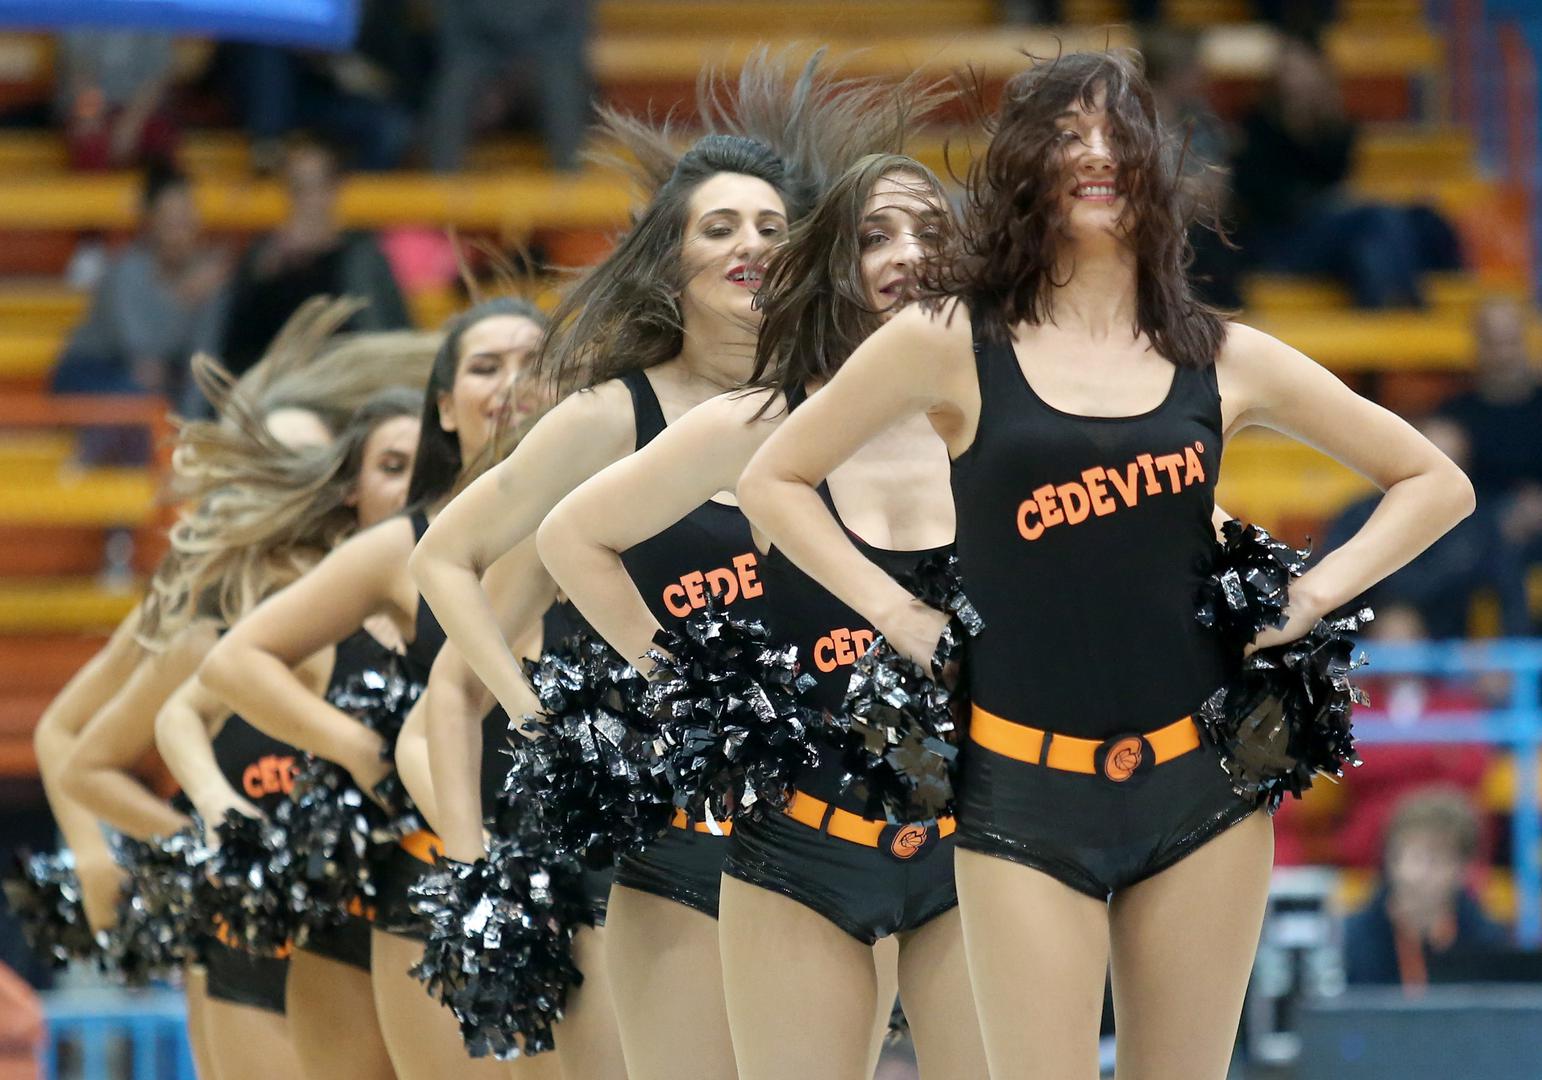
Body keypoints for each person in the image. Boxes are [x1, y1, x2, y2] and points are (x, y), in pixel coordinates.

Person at [736, 49, 1474, 1078]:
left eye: (1116, 133)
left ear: (1154, 165)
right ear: (1023, 167)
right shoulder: (948, 339)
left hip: (1202, 790)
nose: (1093, 153)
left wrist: (1312, 597)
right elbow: (774, 479)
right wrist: (897, 616)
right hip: (1020, 794)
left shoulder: (1220, 355)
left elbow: (1436, 482)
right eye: (1066, 134)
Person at [410, 53, 914, 1079]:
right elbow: (444, 557)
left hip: (831, 831)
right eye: (718, 227)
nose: (750, 244)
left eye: (772, 227)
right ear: (670, 259)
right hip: (675, 841)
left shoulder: (841, 413)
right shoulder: (610, 417)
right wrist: (544, 721)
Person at [536, 153, 987, 1080]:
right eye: (875, 236)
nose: (907, 255)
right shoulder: (761, 421)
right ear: (834, 268)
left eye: (930, 234)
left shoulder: (1000, 423)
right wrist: (694, 694)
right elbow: (572, 539)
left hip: (974, 844)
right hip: (800, 852)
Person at [48, 305, 435, 1080]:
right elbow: (76, 741)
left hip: (375, 919)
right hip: (251, 938)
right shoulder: (197, 617)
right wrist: (135, 848)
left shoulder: (385, 601)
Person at [198, 297, 557, 1080]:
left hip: (593, 876)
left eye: (532, 362)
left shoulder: (605, 514)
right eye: (485, 366)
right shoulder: (405, 544)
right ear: (445, 408)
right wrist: (359, 747)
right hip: (444, 878)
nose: (511, 383)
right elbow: (234, 662)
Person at [1230, 34, 1461, 308]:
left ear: (1318, 72)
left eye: (1302, 70)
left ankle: (1387, 315)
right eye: (1289, 71)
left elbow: (1336, 173)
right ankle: (1410, 305)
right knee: (1377, 216)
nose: (1296, 80)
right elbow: (1264, 200)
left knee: (1370, 247)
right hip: (1284, 244)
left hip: (1332, 232)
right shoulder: (1257, 128)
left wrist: (1309, 126)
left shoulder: (1335, 126)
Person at [214, 143, 410, 382]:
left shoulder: (363, 258)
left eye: (315, 186)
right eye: (297, 187)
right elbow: (234, 350)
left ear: (333, 190)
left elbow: (394, 335)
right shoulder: (265, 260)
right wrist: (262, 276)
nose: (307, 199)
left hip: (353, 386)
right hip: (282, 388)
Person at [1325, 416, 1530, 639]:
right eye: (1431, 463)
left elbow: (1511, 593)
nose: (1439, 477)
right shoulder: (1360, 515)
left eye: (1452, 466)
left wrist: (1503, 652)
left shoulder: (1479, 526)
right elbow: (1327, 586)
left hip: (1449, 646)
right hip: (1365, 642)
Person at [53, 164, 229, 408]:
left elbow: (203, 361)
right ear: (150, 223)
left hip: (160, 380)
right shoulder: (125, 271)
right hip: (93, 369)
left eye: (186, 219)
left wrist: (191, 422)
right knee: (141, 395)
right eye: (171, 221)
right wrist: (184, 296)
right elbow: (140, 350)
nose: (180, 232)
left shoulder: (209, 280)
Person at [1343, 787, 1508, 988]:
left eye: (1435, 860)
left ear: (1463, 868)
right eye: (1413, 857)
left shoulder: (1488, 942)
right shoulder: (1350, 941)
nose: (1420, 873)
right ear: (1390, 859)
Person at [1440, 297, 1542, 605]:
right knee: (1492, 547)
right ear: (1478, 344)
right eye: (1493, 342)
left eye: (1510, 341)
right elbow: (1448, 493)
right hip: (1481, 531)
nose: (1503, 354)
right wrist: (1500, 516)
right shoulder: (1456, 415)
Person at [424, 0, 591, 172]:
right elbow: (454, 30)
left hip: (547, 56)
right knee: (455, 87)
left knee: (561, 84)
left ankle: (571, 179)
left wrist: (523, 72)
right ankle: (442, 181)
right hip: (477, 57)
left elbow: (572, 30)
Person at [54, 30, 178, 171]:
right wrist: (90, 115)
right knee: (90, 144)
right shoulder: (81, 19)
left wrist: (130, 125)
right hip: (90, 110)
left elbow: (156, 77)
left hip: (141, 111)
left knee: (160, 142)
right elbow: (78, 68)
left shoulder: (154, 21)